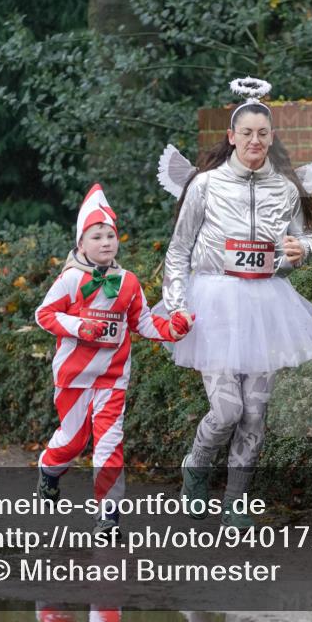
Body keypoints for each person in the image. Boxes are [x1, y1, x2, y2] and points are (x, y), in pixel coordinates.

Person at [155, 77, 312, 528]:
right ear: (232, 137)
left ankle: (237, 499)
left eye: (263, 133)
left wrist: (301, 251)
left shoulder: (286, 189)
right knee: (227, 410)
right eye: (247, 132)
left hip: (265, 305)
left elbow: (300, 241)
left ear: (271, 139)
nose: (255, 140)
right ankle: (196, 466)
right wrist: (176, 305)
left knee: (255, 411)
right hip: (213, 300)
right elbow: (178, 250)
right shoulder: (204, 186)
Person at [34, 183, 195, 537]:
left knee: (109, 444)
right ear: (81, 244)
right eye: (96, 236)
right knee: (73, 442)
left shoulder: (128, 282)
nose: (105, 242)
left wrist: (175, 329)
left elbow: (143, 323)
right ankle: (49, 469)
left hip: (112, 378)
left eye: (110, 235)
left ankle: (108, 517)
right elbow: (44, 315)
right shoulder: (70, 280)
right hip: (73, 377)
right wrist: (81, 326)